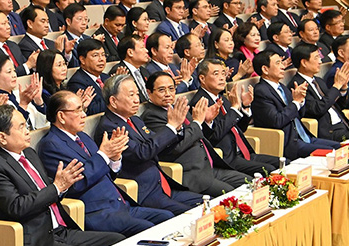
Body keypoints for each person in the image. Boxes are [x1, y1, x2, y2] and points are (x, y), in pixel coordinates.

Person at [0, 104, 123, 246]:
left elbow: (51, 188)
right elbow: (16, 206)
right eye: (21, 128)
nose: (27, 131)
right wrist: (56, 187)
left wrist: (64, 185)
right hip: (37, 240)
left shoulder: (29, 154)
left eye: (26, 125)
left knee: (116, 241)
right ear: (2, 137)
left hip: (60, 229)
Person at [39, 90, 174, 236]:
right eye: (78, 110)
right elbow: (76, 184)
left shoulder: (82, 137)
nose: (84, 115)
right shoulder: (51, 145)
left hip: (120, 205)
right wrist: (103, 155)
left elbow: (108, 173)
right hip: (97, 212)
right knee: (147, 228)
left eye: (83, 109)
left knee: (167, 218)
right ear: (61, 116)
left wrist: (115, 159)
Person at [95, 75, 203, 215]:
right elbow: (141, 153)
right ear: (113, 101)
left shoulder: (135, 120)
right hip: (144, 192)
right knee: (194, 214)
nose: (136, 100)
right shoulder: (109, 128)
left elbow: (159, 146)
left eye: (137, 94)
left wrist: (176, 128)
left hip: (163, 186)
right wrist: (170, 127)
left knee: (209, 203)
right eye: (131, 95)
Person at [141, 71, 247, 196]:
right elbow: (176, 148)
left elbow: (200, 135)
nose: (168, 94)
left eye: (171, 89)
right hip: (192, 174)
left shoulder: (178, 107)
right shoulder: (152, 116)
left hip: (210, 166)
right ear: (149, 93)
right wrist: (197, 122)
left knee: (251, 183)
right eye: (161, 90)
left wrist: (206, 122)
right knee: (233, 195)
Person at [191, 58, 280, 175]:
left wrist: (245, 107)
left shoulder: (222, 99)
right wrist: (234, 109)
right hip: (227, 158)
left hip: (243, 152)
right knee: (268, 170)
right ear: (202, 78)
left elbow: (240, 128)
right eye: (216, 74)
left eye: (223, 73)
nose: (222, 78)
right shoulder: (200, 103)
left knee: (283, 162)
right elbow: (214, 136)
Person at [250, 52, 341, 160]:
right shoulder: (261, 92)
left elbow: (299, 115)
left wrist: (301, 101)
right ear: (265, 69)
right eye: (278, 63)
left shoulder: (282, 87)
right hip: (289, 143)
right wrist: (295, 103)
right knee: (333, 154)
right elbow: (277, 121)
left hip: (304, 137)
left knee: (340, 148)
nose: (283, 66)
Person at [289, 43, 349, 142]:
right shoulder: (297, 86)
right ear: (304, 62)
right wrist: (336, 85)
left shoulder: (318, 81)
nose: (320, 61)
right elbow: (318, 109)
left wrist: (343, 87)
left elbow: (340, 105)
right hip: (330, 131)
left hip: (344, 125)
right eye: (316, 58)